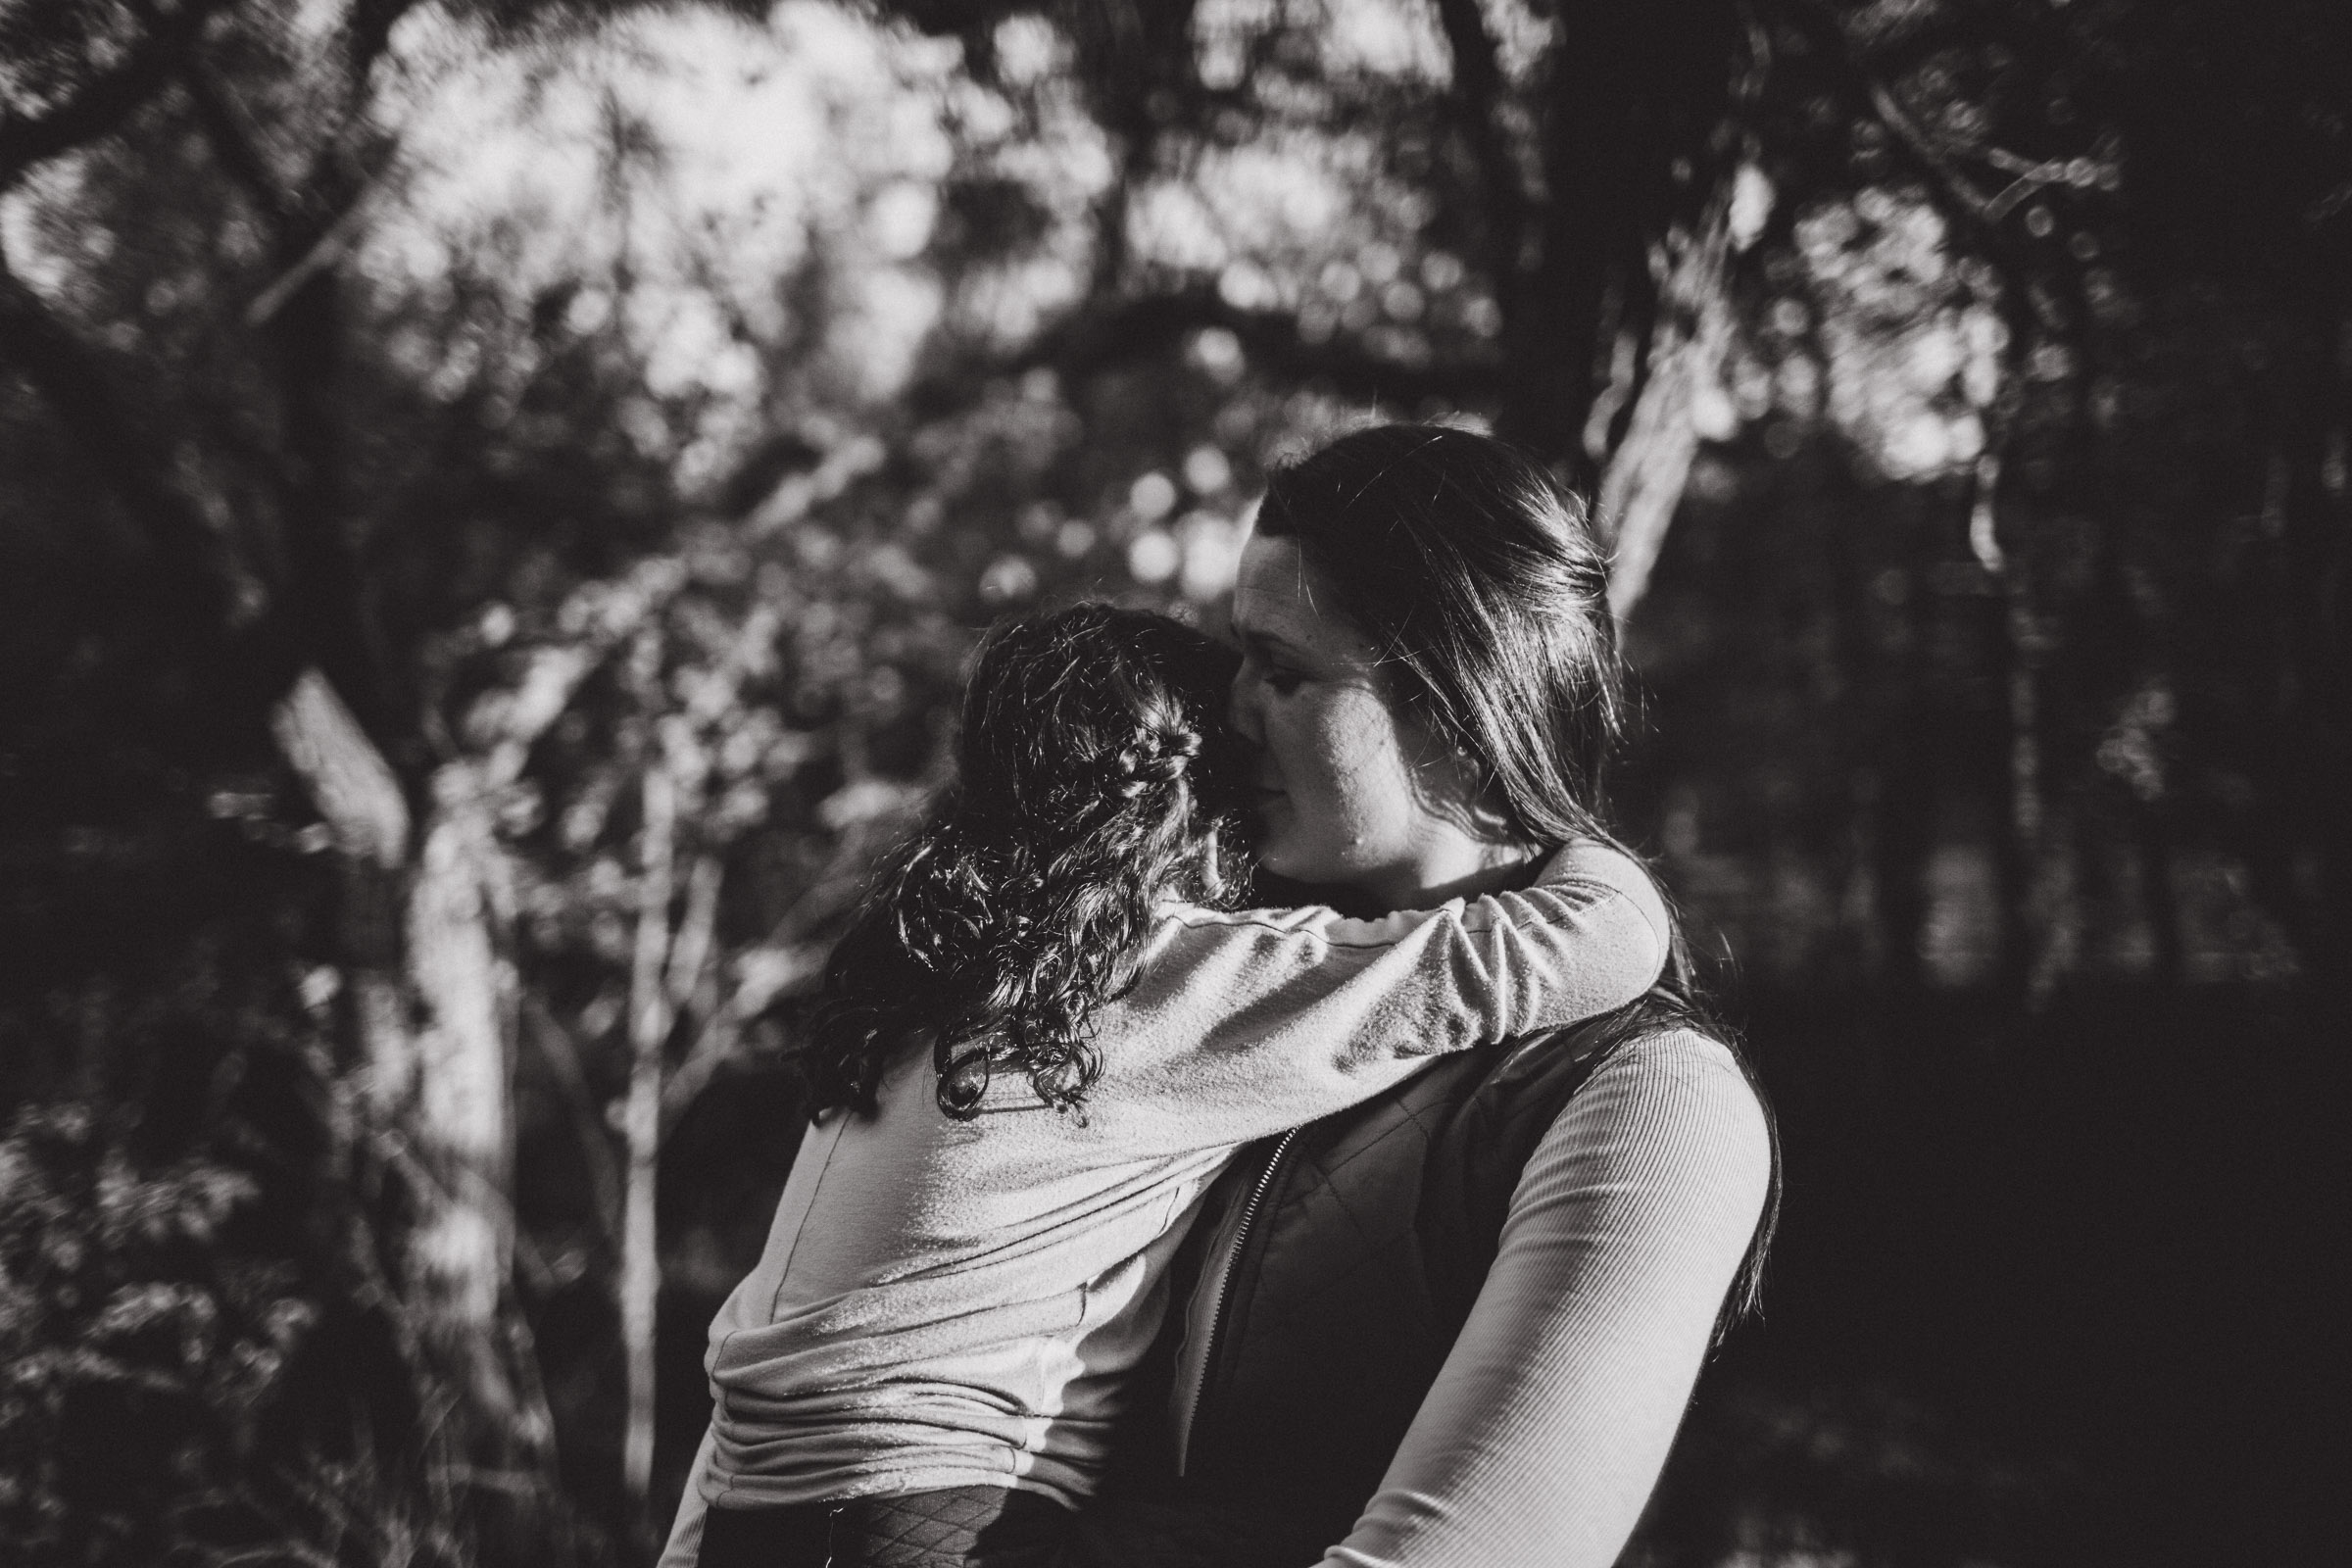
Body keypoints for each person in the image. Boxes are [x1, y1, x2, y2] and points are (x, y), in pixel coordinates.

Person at [658, 602, 1678, 1568]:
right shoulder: (1164, 978)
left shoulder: (932, 985)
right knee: (1325, 1513)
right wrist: (1540, 805)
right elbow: (1594, 944)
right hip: (942, 1530)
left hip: (747, 1522)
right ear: (1195, 805)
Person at [1047, 423, 1781, 1568]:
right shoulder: (1214, 991)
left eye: (1283, 671)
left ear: (1461, 708)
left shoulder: (1647, 1100)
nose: (1226, 710)